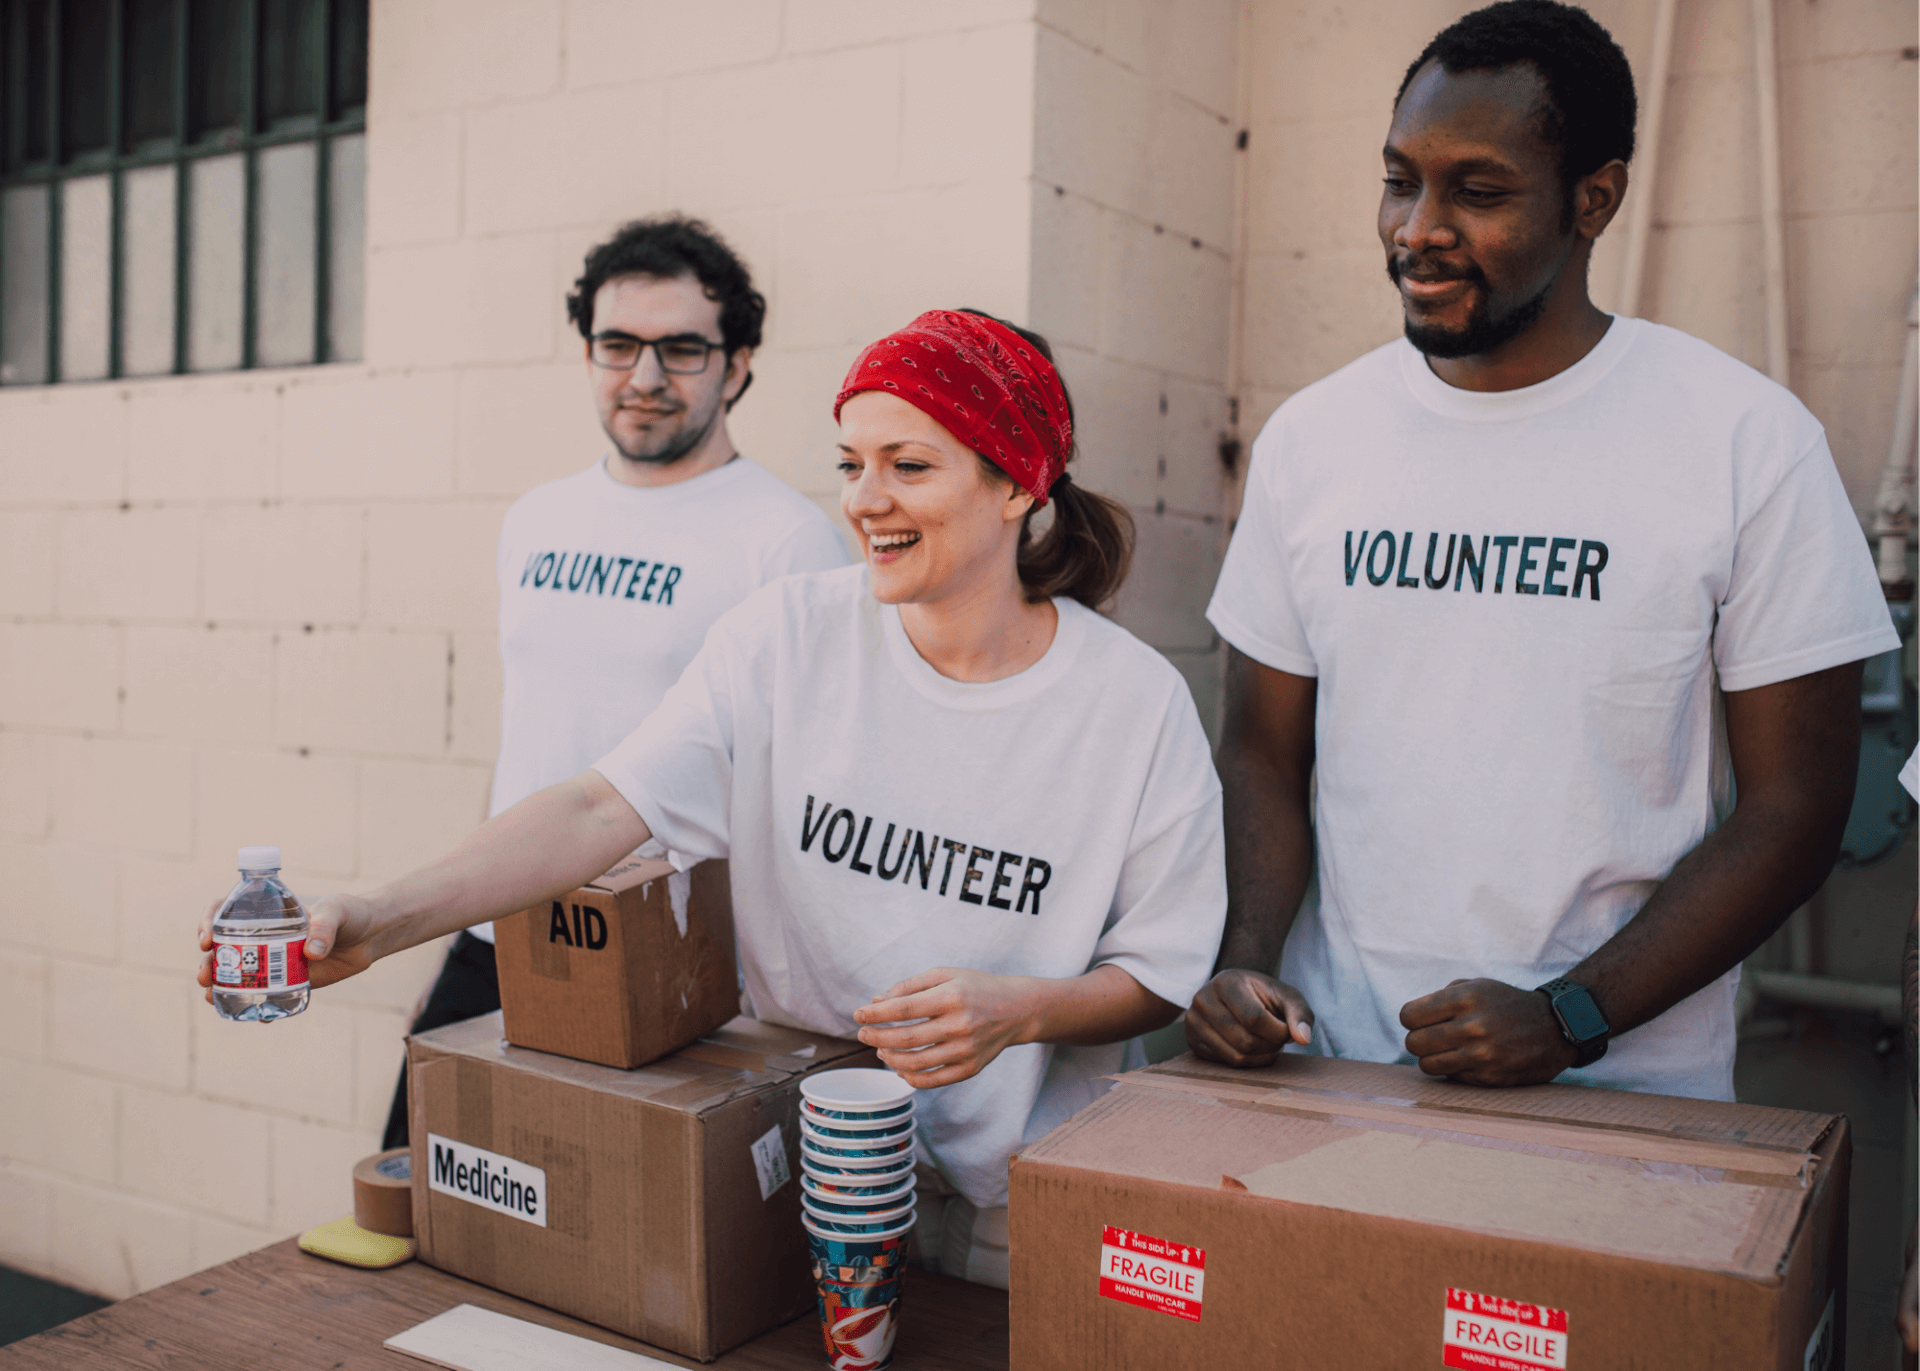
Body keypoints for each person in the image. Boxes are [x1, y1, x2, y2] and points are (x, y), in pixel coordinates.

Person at [203, 308, 1226, 1289]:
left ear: (1018, 488)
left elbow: (1159, 971)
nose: (865, 498)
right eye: (852, 463)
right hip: (799, 1162)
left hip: (1019, 1202)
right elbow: (602, 811)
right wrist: (380, 921)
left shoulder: (1132, 704)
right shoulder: (786, 638)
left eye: (909, 466)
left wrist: (1028, 1010)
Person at [1185, 0, 1901, 1101]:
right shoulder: (1313, 441)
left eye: (1478, 191)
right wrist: (1247, 959)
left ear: (1594, 199)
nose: (1417, 227)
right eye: (1399, 179)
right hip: (1342, 1068)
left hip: (1626, 1095)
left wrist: (1572, 1016)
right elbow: (1265, 753)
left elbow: (1795, 810)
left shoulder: (1746, 442)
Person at [379, 215, 849, 1149]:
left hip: (670, 957)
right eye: (618, 345)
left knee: (608, 1235)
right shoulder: (537, 518)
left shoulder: (789, 541)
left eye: (681, 349)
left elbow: (809, 780)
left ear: (739, 363)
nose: (644, 377)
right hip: (504, 923)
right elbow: (534, 729)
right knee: (418, 1183)